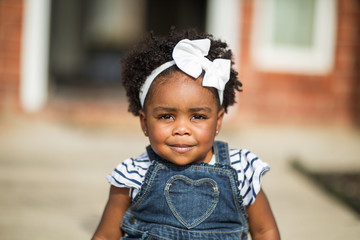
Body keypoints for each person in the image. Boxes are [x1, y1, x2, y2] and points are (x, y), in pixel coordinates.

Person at [92, 28, 280, 240]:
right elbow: (106, 236)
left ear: (218, 121)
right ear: (144, 122)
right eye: (166, 116)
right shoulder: (134, 174)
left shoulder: (241, 169)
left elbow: (265, 231)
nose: (182, 129)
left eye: (198, 117)